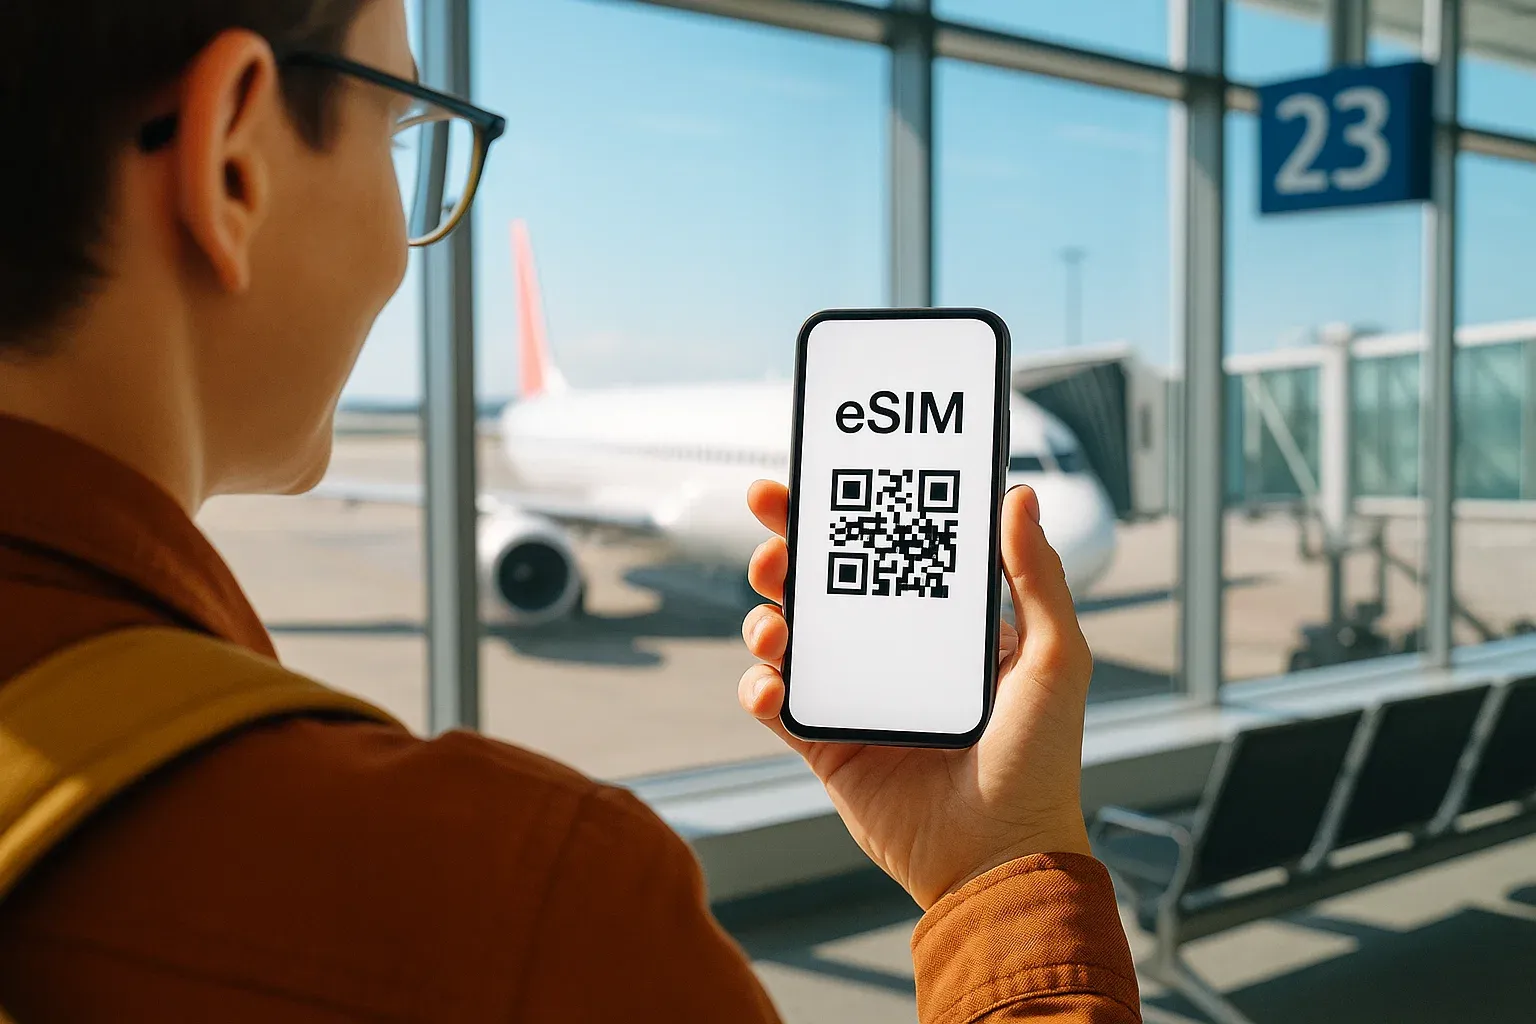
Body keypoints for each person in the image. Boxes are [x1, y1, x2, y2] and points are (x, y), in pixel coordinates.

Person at [0, 0, 1141, 1020]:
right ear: (234, 162)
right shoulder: (529, 909)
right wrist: (1007, 876)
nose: (409, 238)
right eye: (403, 136)